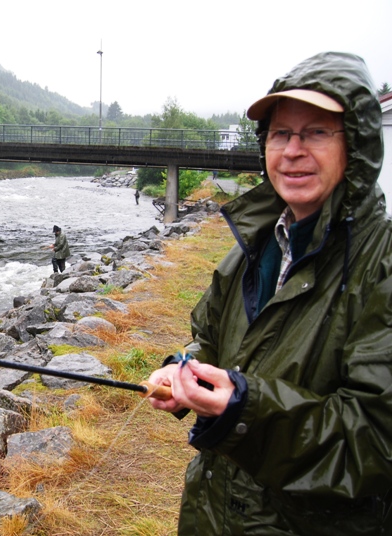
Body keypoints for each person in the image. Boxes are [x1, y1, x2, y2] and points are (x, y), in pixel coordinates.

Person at [147, 51, 392, 534]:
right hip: (214, 514)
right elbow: (212, 342)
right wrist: (185, 370)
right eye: (281, 134)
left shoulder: (381, 266)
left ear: (358, 146)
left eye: (317, 132)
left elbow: (376, 441)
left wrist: (243, 409)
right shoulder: (251, 249)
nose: (293, 150)